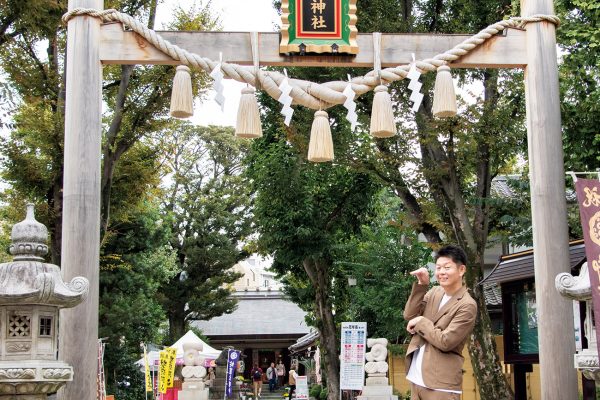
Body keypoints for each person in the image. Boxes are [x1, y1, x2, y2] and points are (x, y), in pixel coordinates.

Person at [403, 245, 477, 400]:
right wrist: (422, 286)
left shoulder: (467, 305)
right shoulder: (435, 292)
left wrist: (421, 322)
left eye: (447, 267)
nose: (441, 272)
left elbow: (446, 341)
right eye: (438, 268)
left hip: (441, 385)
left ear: (461, 270)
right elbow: (410, 315)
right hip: (417, 379)